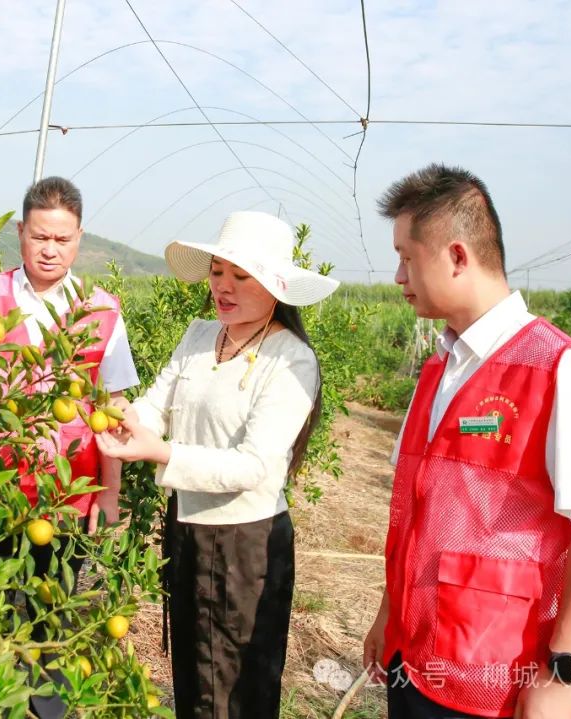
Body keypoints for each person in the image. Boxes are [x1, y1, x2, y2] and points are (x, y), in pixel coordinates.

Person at [362, 164, 571, 719]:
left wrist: (563, 670)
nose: (398, 276)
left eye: (407, 257)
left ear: (457, 256)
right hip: (417, 657)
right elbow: (414, 511)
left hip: (500, 677)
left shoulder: (557, 369)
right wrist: (389, 614)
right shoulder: (438, 370)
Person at [96, 210, 339, 719]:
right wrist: (124, 419)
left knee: (236, 683)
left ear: (275, 287)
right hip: (185, 525)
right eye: (217, 272)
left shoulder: (290, 359)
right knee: (194, 671)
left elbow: (254, 466)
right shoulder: (201, 335)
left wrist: (161, 452)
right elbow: (157, 404)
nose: (223, 287)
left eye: (241, 276)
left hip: (245, 542)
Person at [0, 176, 139, 719]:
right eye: (39, 237)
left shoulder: (101, 309)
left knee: (50, 601)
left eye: (62, 238)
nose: (50, 249)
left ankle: (43, 700)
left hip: (64, 493)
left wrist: (109, 494)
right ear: (20, 233)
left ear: (79, 239)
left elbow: (114, 406)